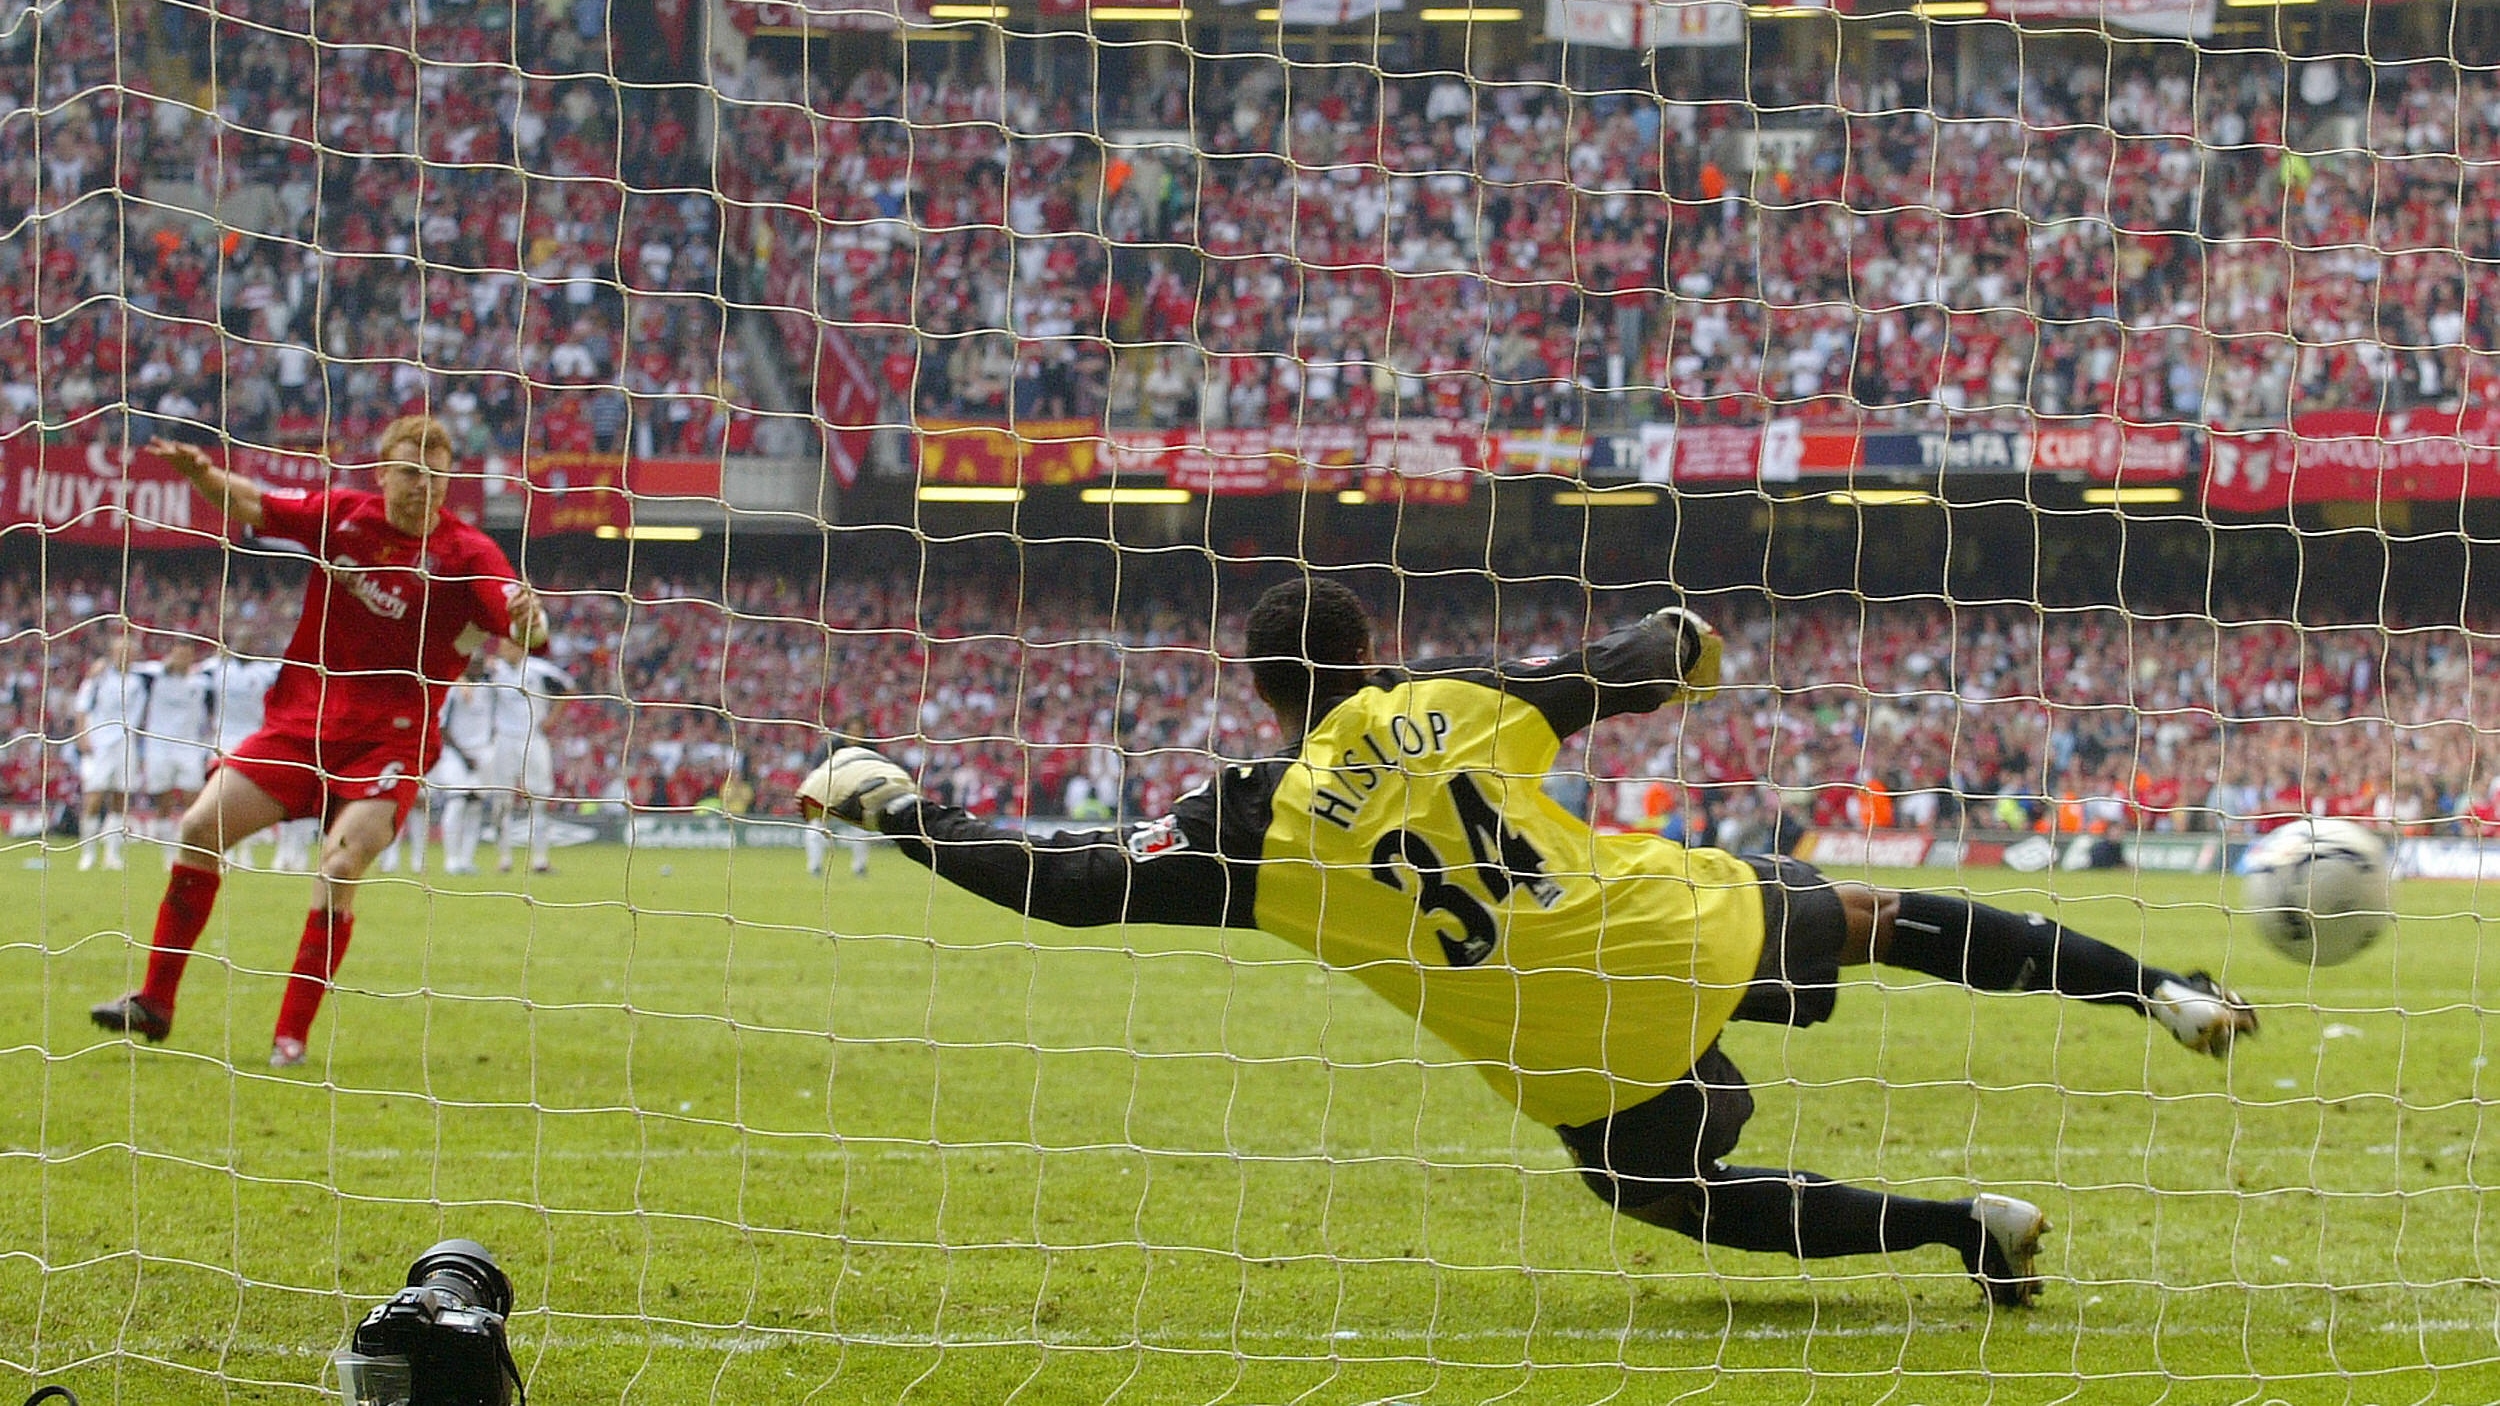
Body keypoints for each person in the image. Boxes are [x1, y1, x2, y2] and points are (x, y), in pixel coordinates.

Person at [800, 577, 2260, 1307]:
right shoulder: (1445, 700)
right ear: (1367, 648)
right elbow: (1626, 666)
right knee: (1873, 918)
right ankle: (2161, 988)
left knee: (1665, 1189)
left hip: (1562, 1044)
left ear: (1260, 696)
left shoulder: (1253, 822)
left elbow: (1068, 887)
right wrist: (1678, 642)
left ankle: (1961, 1228)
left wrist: (907, 810)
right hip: (1661, 925)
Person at [89, 420, 546, 1068]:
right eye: (411, 472)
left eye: (437, 474)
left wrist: (532, 619)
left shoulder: (468, 553)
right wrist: (203, 474)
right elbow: (253, 502)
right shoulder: (344, 516)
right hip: (303, 723)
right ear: (382, 474)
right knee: (196, 828)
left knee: (340, 866)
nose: (424, 485)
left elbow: (523, 623)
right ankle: (155, 1000)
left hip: (390, 739)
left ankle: (290, 1036)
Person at [482, 636, 574, 874]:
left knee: (539, 799)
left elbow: (569, 687)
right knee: (501, 801)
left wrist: (552, 719)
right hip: (504, 739)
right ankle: (504, 858)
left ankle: (540, 859)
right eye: (502, 647)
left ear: (521, 648)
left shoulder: (539, 670)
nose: (504, 651)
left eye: (509, 646)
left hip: (533, 738)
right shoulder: (494, 669)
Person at [72, 630, 150, 871]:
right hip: (99, 744)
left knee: (120, 798)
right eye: (121, 652)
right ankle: (87, 854)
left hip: (125, 745)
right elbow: (81, 707)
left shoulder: (138, 681)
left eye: (130, 652)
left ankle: (112, 854)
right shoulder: (98, 678)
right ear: (113, 654)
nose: (126, 656)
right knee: (94, 797)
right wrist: (82, 735)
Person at [137, 638, 215, 854]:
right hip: (158, 746)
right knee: (164, 801)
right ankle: (168, 854)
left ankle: (189, 847)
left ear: (192, 658)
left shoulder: (202, 681)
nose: (181, 659)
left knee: (193, 798)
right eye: (178, 654)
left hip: (189, 746)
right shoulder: (153, 675)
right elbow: (127, 669)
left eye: (186, 655)